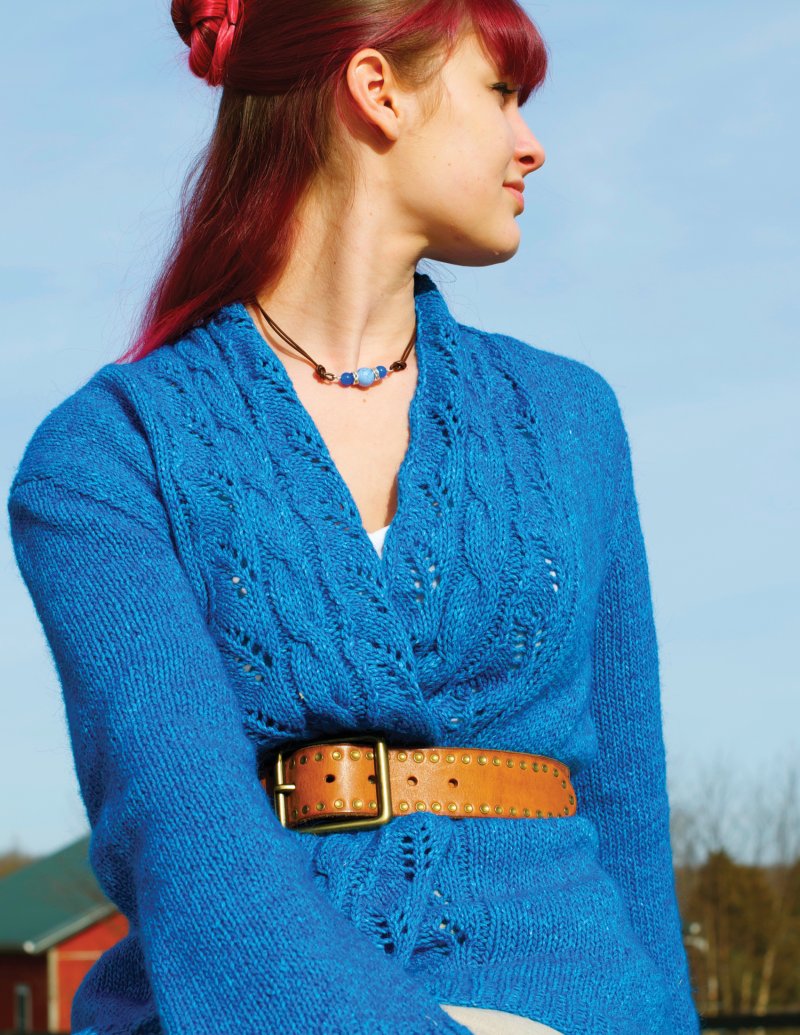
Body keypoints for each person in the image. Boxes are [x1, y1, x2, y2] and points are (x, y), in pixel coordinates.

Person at [6, 1, 701, 1033]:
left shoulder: (571, 421)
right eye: (501, 93)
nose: (531, 144)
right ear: (378, 92)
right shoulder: (107, 454)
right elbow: (182, 837)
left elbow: (628, 818)